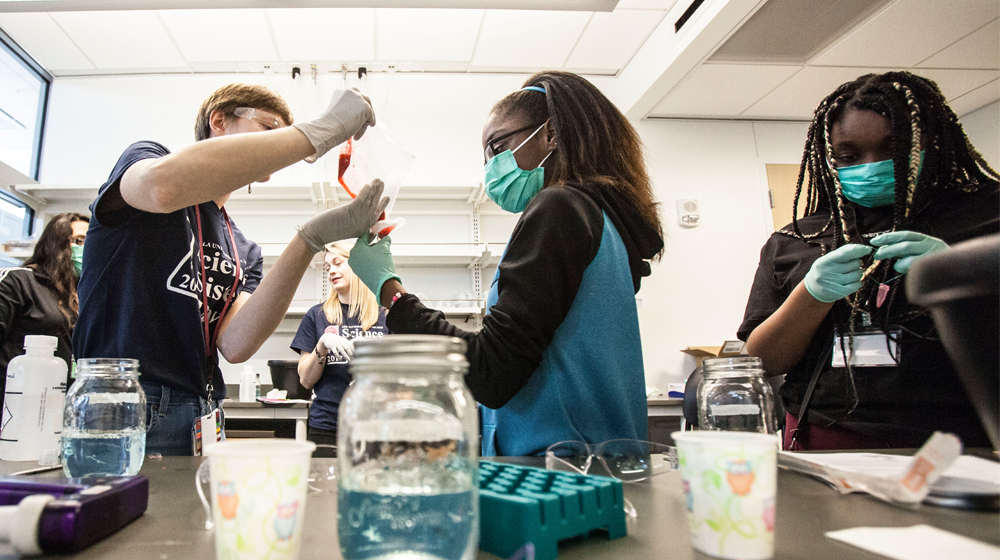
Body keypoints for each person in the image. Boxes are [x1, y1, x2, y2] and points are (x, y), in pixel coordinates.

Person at [349, 71, 664, 457]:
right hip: (600, 463)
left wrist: (389, 291)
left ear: (551, 134)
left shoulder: (560, 207)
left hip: (562, 468)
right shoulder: (604, 221)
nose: (491, 167)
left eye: (497, 146)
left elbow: (492, 372)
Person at [74, 83, 389, 456]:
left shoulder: (241, 247)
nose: (280, 146)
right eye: (270, 129)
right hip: (125, 400)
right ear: (219, 120)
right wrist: (317, 132)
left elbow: (235, 344)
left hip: (201, 410)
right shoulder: (147, 160)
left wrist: (310, 239)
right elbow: (162, 187)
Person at [737, 71, 999, 450]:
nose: (873, 165)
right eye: (849, 156)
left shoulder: (987, 217)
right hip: (826, 431)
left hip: (962, 436)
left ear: (933, 143)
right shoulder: (797, 239)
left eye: (896, 149)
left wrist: (960, 274)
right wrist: (811, 295)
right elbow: (763, 362)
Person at [291, 241, 388, 455]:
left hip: (377, 427)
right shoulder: (317, 316)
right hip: (327, 427)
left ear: (359, 265)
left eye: (338, 263)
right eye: (328, 267)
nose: (331, 271)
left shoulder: (386, 315)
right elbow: (305, 380)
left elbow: (403, 377)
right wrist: (322, 346)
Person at [0, 212, 89, 407]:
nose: (86, 249)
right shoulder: (18, 281)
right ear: (55, 243)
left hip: (57, 405)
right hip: (13, 402)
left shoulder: (85, 295)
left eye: (92, 243)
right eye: (79, 241)